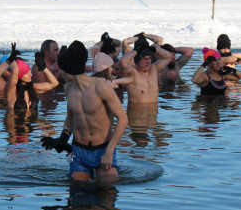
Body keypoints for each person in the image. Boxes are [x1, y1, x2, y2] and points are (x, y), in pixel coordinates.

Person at [41, 41, 128, 181]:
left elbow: (123, 119)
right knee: (77, 189)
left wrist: (109, 152)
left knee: (107, 188)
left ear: (69, 69)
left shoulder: (101, 87)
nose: (60, 71)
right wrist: (63, 139)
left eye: (61, 68)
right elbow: (71, 117)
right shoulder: (68, 88)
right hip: (79, 151)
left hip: (103, 149)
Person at [120, 35, 174, 106]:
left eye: (149, 58)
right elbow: (122, 62)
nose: (148, 62)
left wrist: (151, 48)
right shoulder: (132, 73)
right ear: (137, 60)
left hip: (153, 115)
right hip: (136, 115)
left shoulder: (154, 69)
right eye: (145, 59)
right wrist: (137, 50)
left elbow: (169, 56)